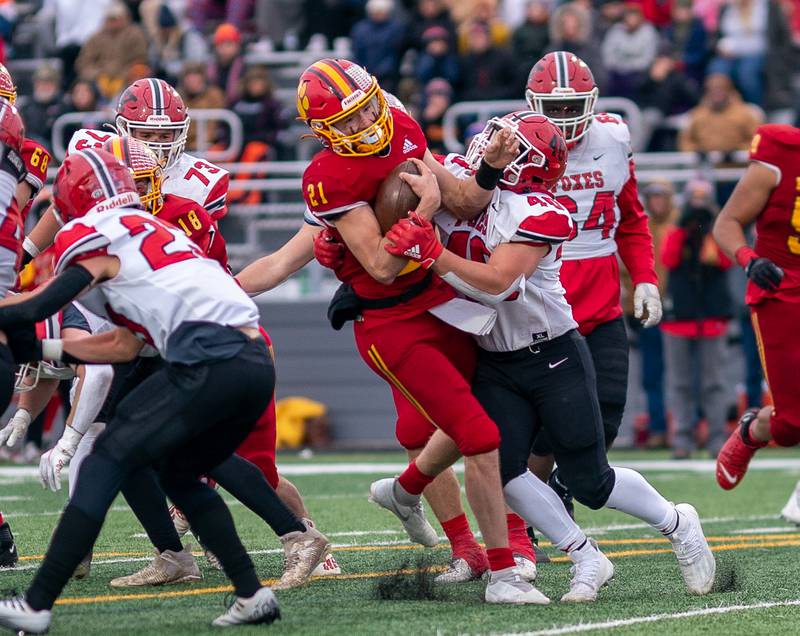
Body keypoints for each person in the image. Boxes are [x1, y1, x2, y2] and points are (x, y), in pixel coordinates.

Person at [242, 58, 547, 602]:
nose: (363, 128)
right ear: (322, 132)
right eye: (348, 122)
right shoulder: (327, 176)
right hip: (389, 320)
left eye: (365, 113)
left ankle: (460, 526)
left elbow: (465, 199)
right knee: (460, 434)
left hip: (442, 301)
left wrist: (491, 170)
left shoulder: (403, 127)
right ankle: (491, 562)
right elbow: (380, 265)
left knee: (455, 428)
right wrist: (425, 210)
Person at [382, 111, 717, 599]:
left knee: (590, 482)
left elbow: (498, 283)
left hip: (552, 354)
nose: (486, 148)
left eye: (504, 145)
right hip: (494, 358)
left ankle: (677, 522)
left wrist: (431, 252)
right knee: (502, 467)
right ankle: (585, 556)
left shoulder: (540, 211)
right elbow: (409, 166)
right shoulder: (465, 181)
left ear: (527, 165)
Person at [0, 149, 280, 631]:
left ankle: (37, 604)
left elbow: (41, 303)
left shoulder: (94, 236)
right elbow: (125, 345)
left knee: (107, 457)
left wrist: (17, 327)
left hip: (206, 355)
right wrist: (45, 350)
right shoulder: (159, 230)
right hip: (253, 361)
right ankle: (253, 594)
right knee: (180, 473)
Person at [525, 51, 662, 509]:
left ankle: (559, 491)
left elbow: (632, 219)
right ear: (533, 104)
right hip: (538, 297)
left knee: (605, 415)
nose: (564, 118)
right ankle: (527, 516)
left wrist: (644, 278)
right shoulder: (512, 143)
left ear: (592, 101)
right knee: (543, 428)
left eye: (572, 106)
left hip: (600, 301)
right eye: (555, 108)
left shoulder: (613, 137)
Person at [713, 124, 800, 490]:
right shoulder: (781, 155)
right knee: (792, 425)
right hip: (783, 289)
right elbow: (727, 222)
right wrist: (750, 259)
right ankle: (752, 429)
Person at [661, 191, 733, 459]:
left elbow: (725, 261)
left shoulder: (717, 234)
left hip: (711, 319)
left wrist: (711, 229)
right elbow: (669, 260)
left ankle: (717, 439)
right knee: (679, 383)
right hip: (679, 320)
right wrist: (683, 227)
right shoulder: (675, 232)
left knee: (713, 383)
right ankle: (682, 440)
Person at [638, 180, 678, 448]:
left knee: (683, 375)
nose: (657, 202)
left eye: (661, 196)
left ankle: (689, 428)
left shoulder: (680, 227)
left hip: (679, 311)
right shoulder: (642, 229)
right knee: (652, 374)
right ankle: (657, 427)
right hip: (650, 311)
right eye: (652, 197)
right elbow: (630, 270)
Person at [74, 1, 149, 101]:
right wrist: (99, 76)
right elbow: (83, 63)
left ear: (124, 17)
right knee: (82, 88)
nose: (112, 22)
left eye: (115, 18)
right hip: (98, 82)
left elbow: (140, 59)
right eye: (109, 19)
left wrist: (123, 76)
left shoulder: (134, 34)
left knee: (140, 73)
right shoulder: (96, 38)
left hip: (127, 79)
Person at [678, 73, 761, 155]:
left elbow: (758, 140)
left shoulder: (745, 113)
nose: (716, 93)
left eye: (721, 89)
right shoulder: (697, 114)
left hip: (737, 166)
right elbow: (685, 140)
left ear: (729, 90)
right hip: (706, 166)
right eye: (712, 89)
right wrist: (696, 151)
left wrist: (738, 151)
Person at [601, 3, 659, 100]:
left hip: (638, 75)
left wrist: (628, 67)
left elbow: (647, 60)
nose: (631, 20)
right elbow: (607, 55)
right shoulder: (615, 31)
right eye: (629, 16)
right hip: (616, 74)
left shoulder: (649, 32)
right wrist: (620, 67)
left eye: (634, 17)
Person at [207, 22, 246, 107]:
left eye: (229, 44)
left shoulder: (245, 68)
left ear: (238, 46)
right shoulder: (210, 69)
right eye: (221, 44)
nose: (224, 49)